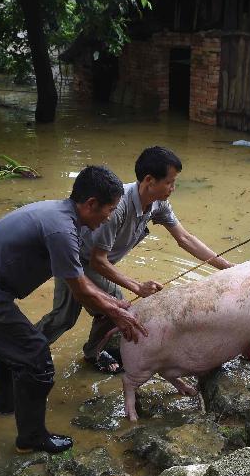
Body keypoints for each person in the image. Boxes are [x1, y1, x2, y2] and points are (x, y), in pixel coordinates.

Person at [0, 166, 147, 454]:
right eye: (110, 209)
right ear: (91, 204)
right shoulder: (61, 229)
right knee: (37, 358)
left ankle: (4, 409)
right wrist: (118, 313)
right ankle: (31, 438)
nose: (110, 217)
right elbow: (80, 289)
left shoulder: (60, 214)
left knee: (8, 350)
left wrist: (115, 304)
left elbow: (83, 284)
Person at [35, 146, 234, 373]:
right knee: (85, 312)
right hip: (78, 260)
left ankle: (92, 352)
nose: (173, 188)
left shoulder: (158, 204)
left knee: (84, 313)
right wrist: (137, 286)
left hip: (96, 264)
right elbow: (98, 260)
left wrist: (226, 267)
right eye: (169, 182)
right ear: (149, 180)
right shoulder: (117, 207)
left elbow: (185, 238)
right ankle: (17, 349)